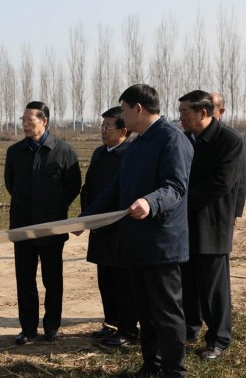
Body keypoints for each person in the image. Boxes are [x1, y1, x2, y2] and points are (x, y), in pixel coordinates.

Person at [81, 84, 193, 377]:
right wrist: (87, 218)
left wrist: (149, 201)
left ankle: (173, 370)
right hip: (137, 244)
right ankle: (151, 364)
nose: (122, 118)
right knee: (146, 312)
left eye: (124, 111)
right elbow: (115, 188)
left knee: (166, 312)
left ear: (138, 109)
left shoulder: (172, 140)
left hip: (162, 244)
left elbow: (175, 187)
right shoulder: (137, 145)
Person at [4, 101, 81, 345]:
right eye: (23, 120)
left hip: (52, 227)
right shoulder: (15, 152)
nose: (25, 124)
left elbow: (72, 187)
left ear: (44, 121)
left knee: (52, 279)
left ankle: (52, 327)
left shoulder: (63, 151)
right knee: (25, 280)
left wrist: (54, 208)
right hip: (23, 227)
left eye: (30, 120)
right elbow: (10, 184)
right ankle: (27, 328)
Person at [178, 90, 244, 359]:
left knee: (214, 286)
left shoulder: (228, 140)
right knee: (188, 280)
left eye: (184, 112)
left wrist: (179, 201)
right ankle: (190, 327)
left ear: (202, 113)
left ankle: (218, 338)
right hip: (183, 222)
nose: (180, 117)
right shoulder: (183, 140)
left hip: (212, 221)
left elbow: (221, 183)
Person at [80, 106, 138, 349]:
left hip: (121, 229)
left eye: (108, 126)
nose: (103, 131)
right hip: (99, 226)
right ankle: (111, 323)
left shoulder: (131, 153)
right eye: (101, 126)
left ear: (124, 130)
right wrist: (86, 219)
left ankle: (127, 329)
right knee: (105, 278)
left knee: (123, 281)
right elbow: (90, 187)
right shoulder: (99, 153)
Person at [210, 92, 246, 220]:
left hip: (224, 208)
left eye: (210, 107)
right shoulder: (192, 136)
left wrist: (236, 210)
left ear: (221, 111)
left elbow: (240, 177)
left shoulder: (232, 139)